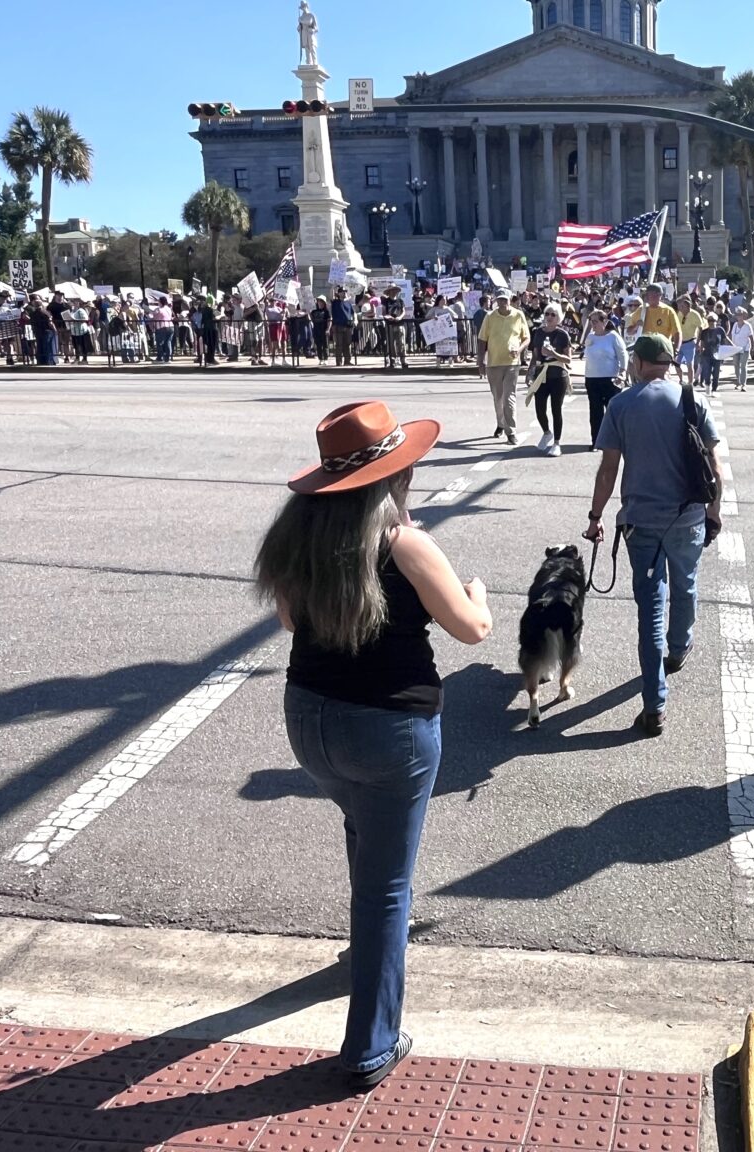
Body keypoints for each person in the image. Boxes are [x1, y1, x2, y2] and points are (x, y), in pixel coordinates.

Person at [255, 400, 492, 1090]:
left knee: (363, 830)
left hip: (310, 719)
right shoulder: (405, 544)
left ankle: (365, 958)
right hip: (391, 728)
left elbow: (289, 618)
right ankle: (370, 1046)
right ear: (396, 476)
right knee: (388, 887)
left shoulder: (299, 539)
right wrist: (478, 593)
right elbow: (472, 629)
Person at [585, 335, 723, 736]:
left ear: (640, 363)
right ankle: (679, 648)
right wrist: (714, 511)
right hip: (688, 517)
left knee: (650, 609)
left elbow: (608, 470)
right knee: (686, 584)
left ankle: (655, 706)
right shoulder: (691, 399)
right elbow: (713, 465)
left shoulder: (621, 404)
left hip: (641, 521)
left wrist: (595, 517)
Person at [476, 290, 531, 444]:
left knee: (509, 397)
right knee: (498, 398)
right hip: (494, 363)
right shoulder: (490, 316)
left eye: (505, 300)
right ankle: (501, 424)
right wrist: (480, 361)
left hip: (512, 363)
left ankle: (511, 431)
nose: (502, 303)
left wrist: (519, 350)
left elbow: (526, 338)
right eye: (499, 300)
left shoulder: (518, 315)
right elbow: (482, 340)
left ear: (510, 300)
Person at [528, 304, 573, 456]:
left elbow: (568, 359)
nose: (549, 317)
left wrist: (553, 353)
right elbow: (535, 355)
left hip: (558, 374)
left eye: (553, 314)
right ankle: (547, 432)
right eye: (547, 313)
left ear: (558, 317)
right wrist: (530, 372)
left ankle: (557, 443)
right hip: (541, 373)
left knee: (556, 409)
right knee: (539, 407)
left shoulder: (562, 334)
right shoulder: (538, 333)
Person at [582, 308, 627, 446]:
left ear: (605, 322)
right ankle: (596, 440)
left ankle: (616, 441)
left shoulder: (613, 337)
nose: (593, 324)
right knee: (595, 411)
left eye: (596, 321)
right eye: (591, 321)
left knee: (612, 411)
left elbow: (623, 355)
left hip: (610, 378)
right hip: (592, 378)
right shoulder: (590, 337)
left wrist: (622, 372)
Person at [676, 296, 702, 386]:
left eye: (682, 306)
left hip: (690, 342)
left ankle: (690, 383)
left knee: (689, 364)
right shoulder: (679, 313)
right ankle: (681, 380)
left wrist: (698, 342)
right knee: (676, 363)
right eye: (679, 306)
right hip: (679, 342)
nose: (680, 308)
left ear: (688, 306)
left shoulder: (695, 315)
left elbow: (701, 328)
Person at [729, 308, 754, 390]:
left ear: (744, 316)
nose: (739, 316)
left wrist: (753, 348)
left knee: (743, 365)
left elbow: (751, 337)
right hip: (736, 348)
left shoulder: (747, 325)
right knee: (736, 365)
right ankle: (738, 382)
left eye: (740, 315)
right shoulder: (735, 325)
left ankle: (743, 384)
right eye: (738, 315)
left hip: (745, 348)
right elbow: (732, 336)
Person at [331, 286, 357, 366]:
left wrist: (355, 320)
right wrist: (333, 286)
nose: (344, 293)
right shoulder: (335, 302)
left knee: (348, 344)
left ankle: (347, 361)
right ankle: (339, 362)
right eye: (342, 292)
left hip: (348, 326)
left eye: (345, 292)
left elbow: (353, 313)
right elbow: (330, 296)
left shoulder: (348, 303)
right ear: (339, 293)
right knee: (339, 344)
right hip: (338, 326)